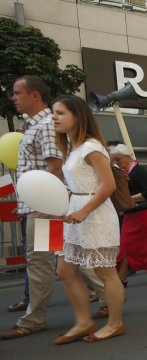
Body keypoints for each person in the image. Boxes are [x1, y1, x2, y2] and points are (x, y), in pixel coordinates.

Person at [0, 77, 103, 340]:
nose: (13, 98)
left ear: (35, 95)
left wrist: (40, 203)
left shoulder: (46, 125)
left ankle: (34, 319)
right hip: (43, 203)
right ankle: (109, 296)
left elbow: (55, 168)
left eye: (17, 93)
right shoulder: (38, 125)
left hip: (46, 205)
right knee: (66, 256)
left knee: (43, 260)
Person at [48, 95, 124, 344]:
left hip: (94, 212)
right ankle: (83, 321)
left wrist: (84, 210)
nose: (54, 117)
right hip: (75, 210)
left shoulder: (92, 146)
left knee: (105, 272)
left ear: (77, 116)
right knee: (65, 270)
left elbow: (109, 184)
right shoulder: (72, 146)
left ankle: (115, 323)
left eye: (60, 113)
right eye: (53, 112)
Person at [109, 144, 147, 285]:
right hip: (131, 214)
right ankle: (122, 276)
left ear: (126, 157)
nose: (117, 163)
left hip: (143, 213)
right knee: (124, 246)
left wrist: (129, 199)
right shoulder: (126, 172)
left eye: (118, 159)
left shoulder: (138, 170)